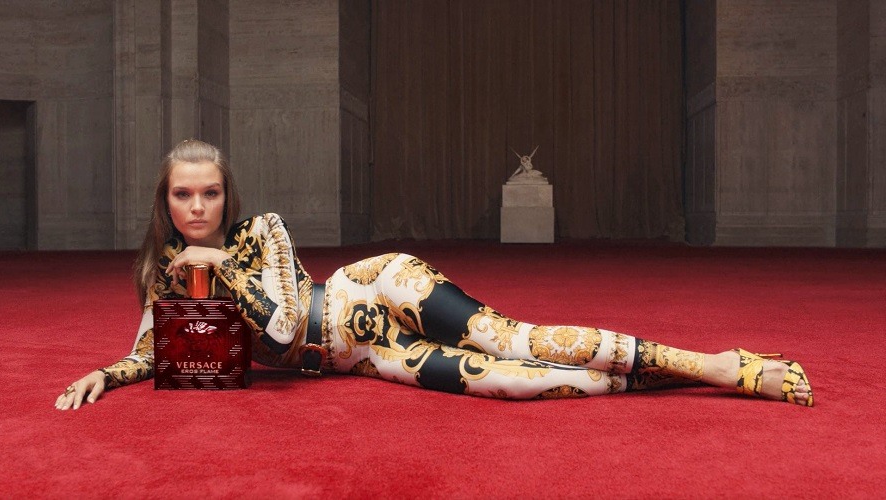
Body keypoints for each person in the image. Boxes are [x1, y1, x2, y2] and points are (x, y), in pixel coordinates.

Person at [55, 139, 813, 410]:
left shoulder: (261, 234)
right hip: (363, 357)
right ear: (164, 202)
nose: (197, 207)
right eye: (183, 195)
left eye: (210, 192)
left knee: (512, 341)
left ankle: (717, 366)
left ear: (228, 197)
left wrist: (223, 264)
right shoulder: (164, 278)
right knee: (519, 387)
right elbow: (157, 349)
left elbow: (280, 329)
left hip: (374, 291)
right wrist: (106, 375)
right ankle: (678, 380)